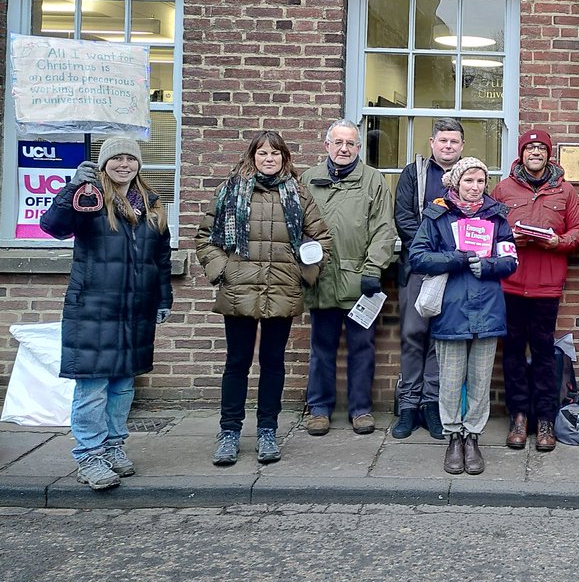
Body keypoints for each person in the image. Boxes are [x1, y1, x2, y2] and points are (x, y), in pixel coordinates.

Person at [40, 138, 172, 491]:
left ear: (139, 164)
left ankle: (114, 446)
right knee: (92, 386)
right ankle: (89, 455)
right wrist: (72, 188)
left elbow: (160, 259)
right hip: (94, 308)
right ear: (104, 163)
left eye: (130, 158)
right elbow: (53, 226)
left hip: (135, 310)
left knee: (122, 386)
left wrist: (163, 300)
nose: (124, 164)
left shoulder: (152, 204)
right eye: (116, 158)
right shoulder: (89, 197)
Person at [197, 131, 331, 467]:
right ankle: (229, 432)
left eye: (275, 154)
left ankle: (267, 430)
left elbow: (320, 240)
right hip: (240, 289)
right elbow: (205, 238)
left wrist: (303, 274)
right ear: (252, 156)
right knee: (237, 363)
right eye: (262, 153)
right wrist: (224, 270)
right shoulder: (230, 191)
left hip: (282, 290)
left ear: (284, 158)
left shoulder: (299, 195)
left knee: (273, 364)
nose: (268, 159)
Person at [408, 156, 517, 475]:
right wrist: (453, 259)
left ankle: (473, 438)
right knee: (452, 380)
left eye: (481, 181)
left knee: (481, 381)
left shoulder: (497, 217)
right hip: (451, 309)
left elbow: (510, 260)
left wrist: (490, 265)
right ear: (456, 182)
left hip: (487, 308)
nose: (475, 187)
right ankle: (454, 437)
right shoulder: (437, 216)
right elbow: (418, 257)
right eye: (469, 180)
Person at [491, 128, 579, 452]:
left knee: (545, 355)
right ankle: (519, 416)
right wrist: (507, 239)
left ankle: (546, 419)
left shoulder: (565, 191)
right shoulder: (503, 189)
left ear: (549, 155)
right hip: (512, 282)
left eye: (541, 149)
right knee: (514, 353)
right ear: (522, 154)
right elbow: (488, 230)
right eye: (530, 149)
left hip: (547, 286)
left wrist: (559, 241)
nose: (536, 153)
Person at [300, 119, 397, 437]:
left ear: (359, 148)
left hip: (360, 279)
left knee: (362, 347)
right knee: (322, 347)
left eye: (350, 143)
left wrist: (373, 269)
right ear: (327, 145)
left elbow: (384, 228)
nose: (344, 149)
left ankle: (360, 409)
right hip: (321, 277)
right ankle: (319, 409)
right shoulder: (307, 180)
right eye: (338, 142)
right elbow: (294, 227)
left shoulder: (374, 181)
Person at [391, 118, 467, 440]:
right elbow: (403, 218)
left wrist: (449, 255)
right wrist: (431, 249)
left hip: (453, 272)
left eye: (454, 141)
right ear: (432, 142)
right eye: (442, 140)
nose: (448, 146)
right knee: (412, 336)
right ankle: (408, 405)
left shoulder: (468, 178)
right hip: (418, 268)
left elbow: (471, 222)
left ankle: (431, 405)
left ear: (462, 146)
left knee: (440, 340)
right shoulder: (414, 173)